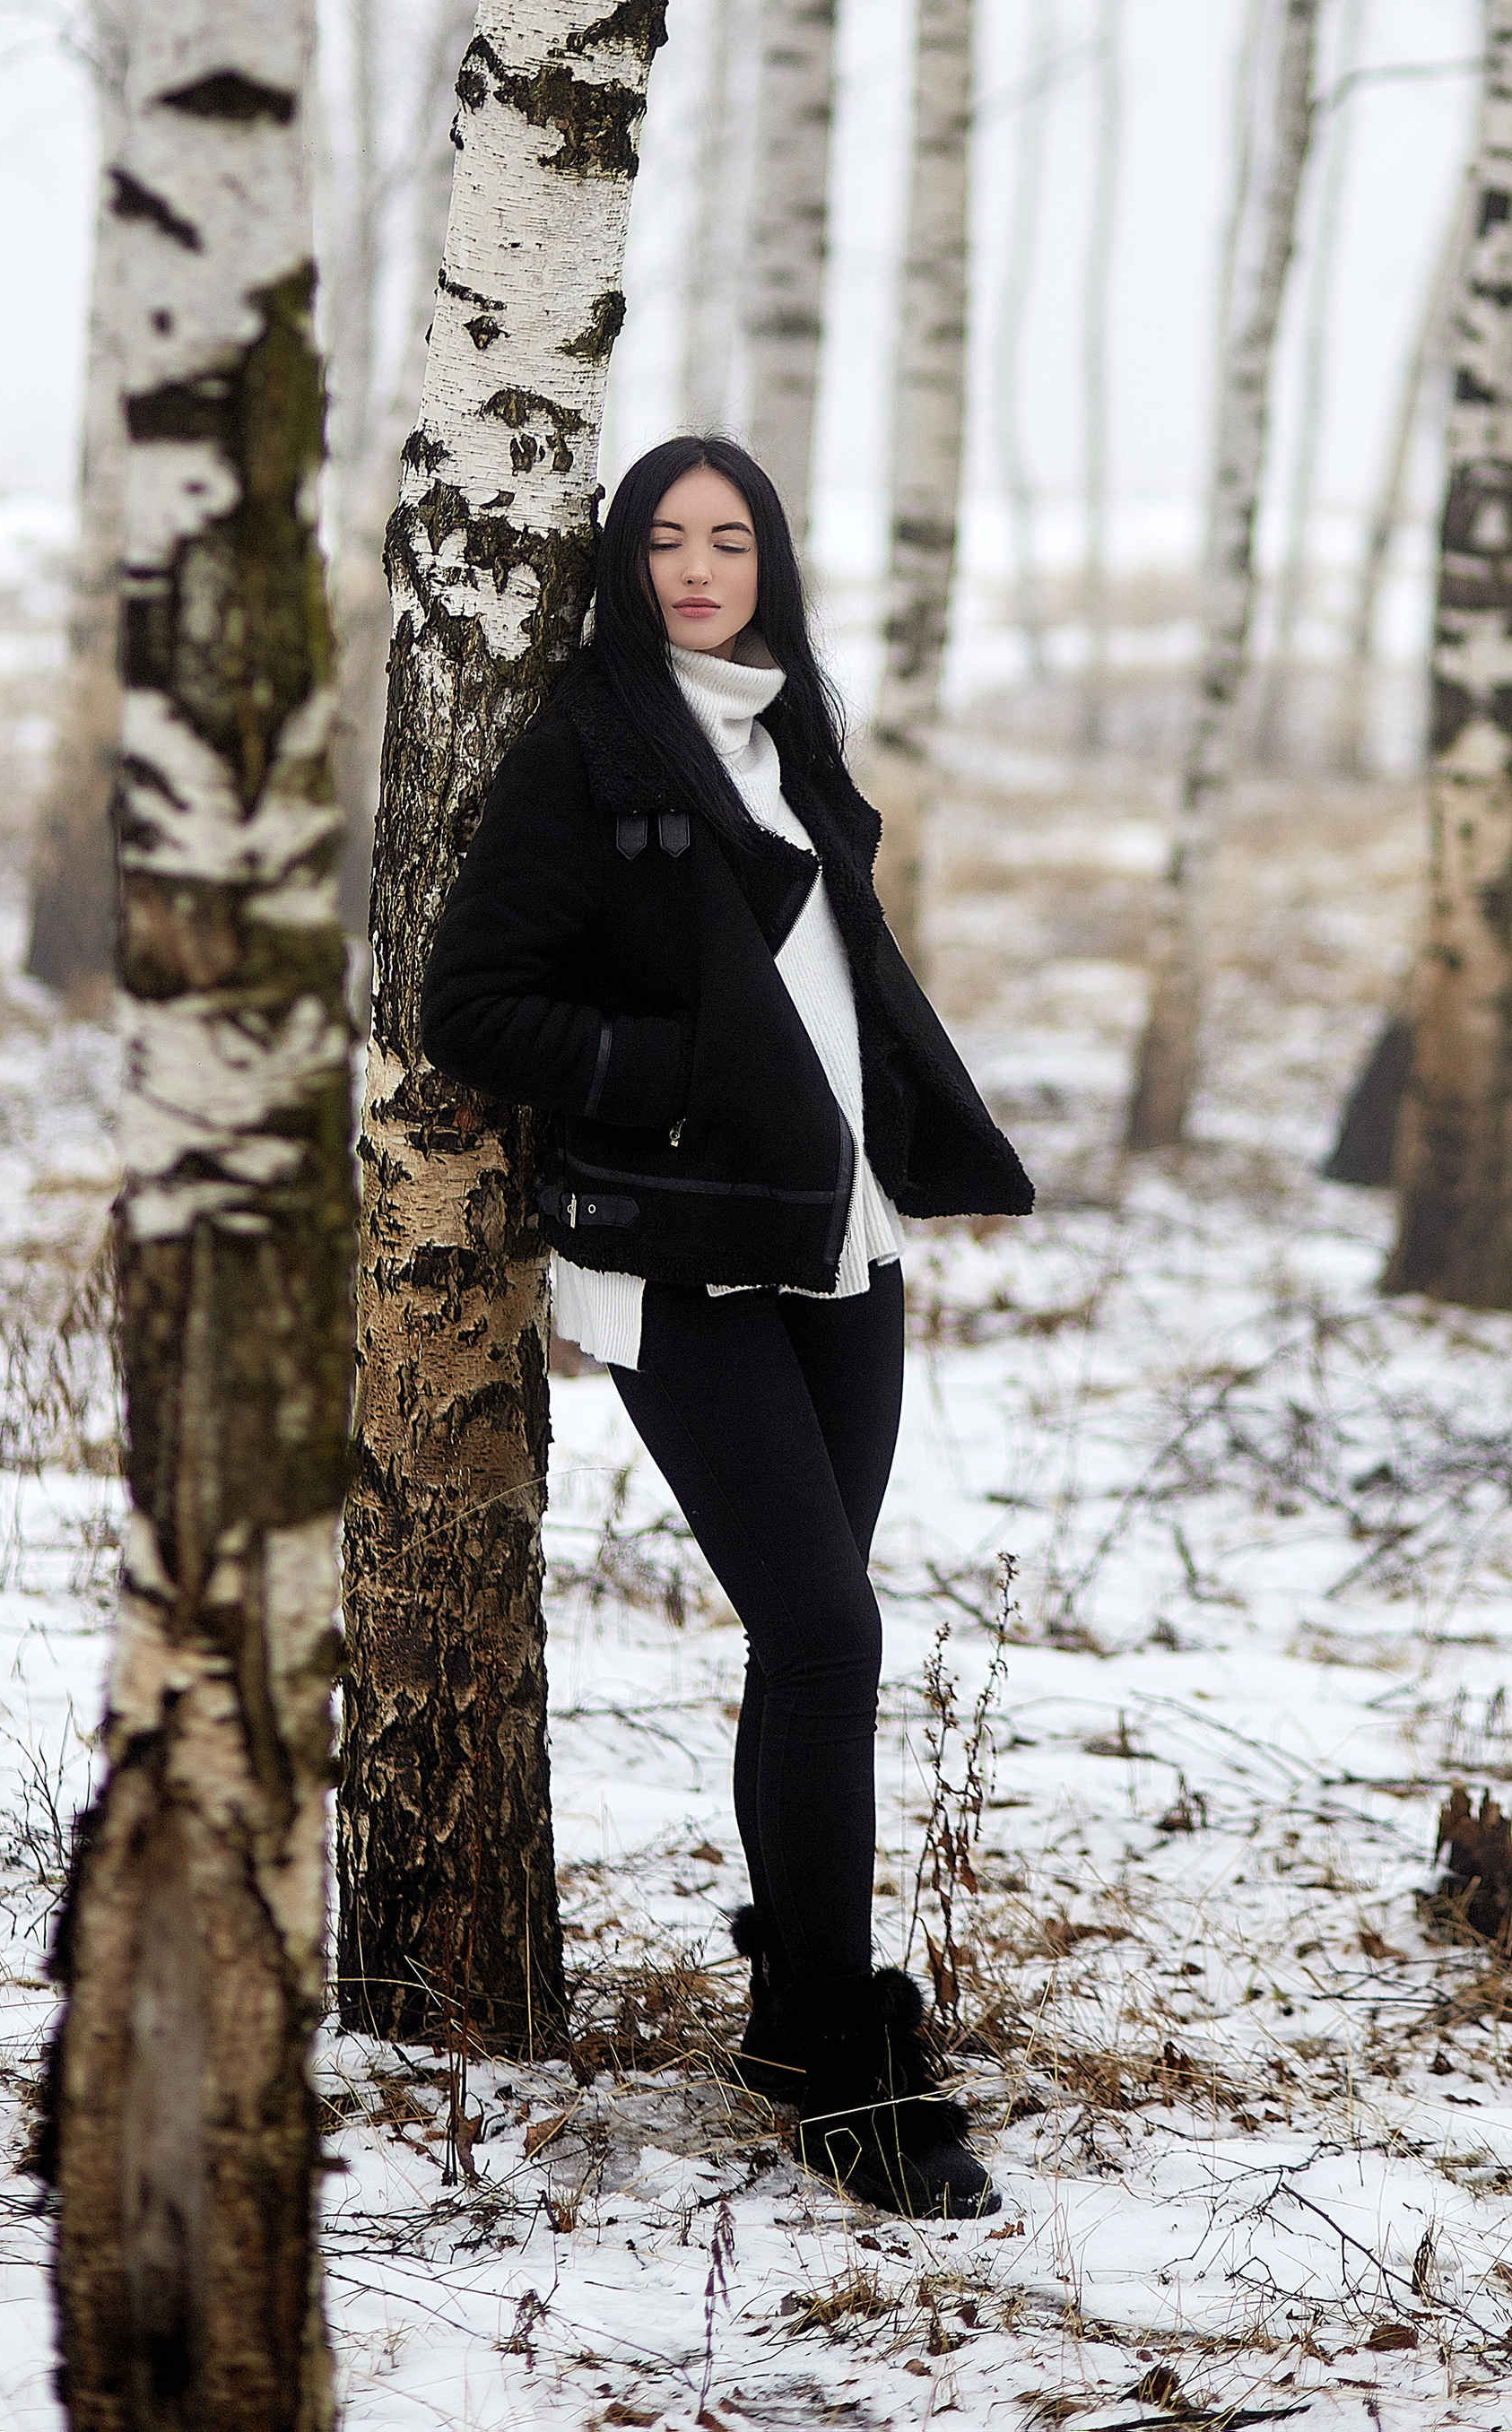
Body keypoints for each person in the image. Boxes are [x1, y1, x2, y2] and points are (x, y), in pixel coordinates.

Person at [420, 434, 1034, 2219]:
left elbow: (840, 974)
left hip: (836, 1245)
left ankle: (789, 2015)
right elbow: (476, 1000)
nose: (698, 568)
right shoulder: (589, 746)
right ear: (624, 565)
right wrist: (674, 1079)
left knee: (814, 1642)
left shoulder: (794, 730)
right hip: (678, 1253)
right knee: (828, 1628)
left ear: (767, 561)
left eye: (729, 538)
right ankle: (839, 2069)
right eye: (666, 541)